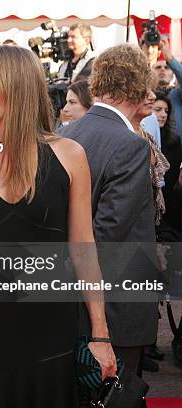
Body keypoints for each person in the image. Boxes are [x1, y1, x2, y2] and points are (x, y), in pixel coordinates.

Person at [0, 45, 115, 407]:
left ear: (20, 86)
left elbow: (83, 249)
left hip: (51, 327)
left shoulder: (69, 155)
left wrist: (100, 333)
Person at [59, 44, 159, 377]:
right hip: (115, 308)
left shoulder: (65, 133)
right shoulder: (131, 145)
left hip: (68, 303)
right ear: (138, 85)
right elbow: (108, 236)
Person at [131, 89, 169, 225]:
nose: (152, 97)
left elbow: (159, 166)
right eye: (144, 91)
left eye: (166, 111)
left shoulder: (151, 121)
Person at [153, 90, 181, 239]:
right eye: (158, 110)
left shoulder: (174, 142)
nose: (163, 114)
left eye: (166, 111)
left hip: (170, 205)